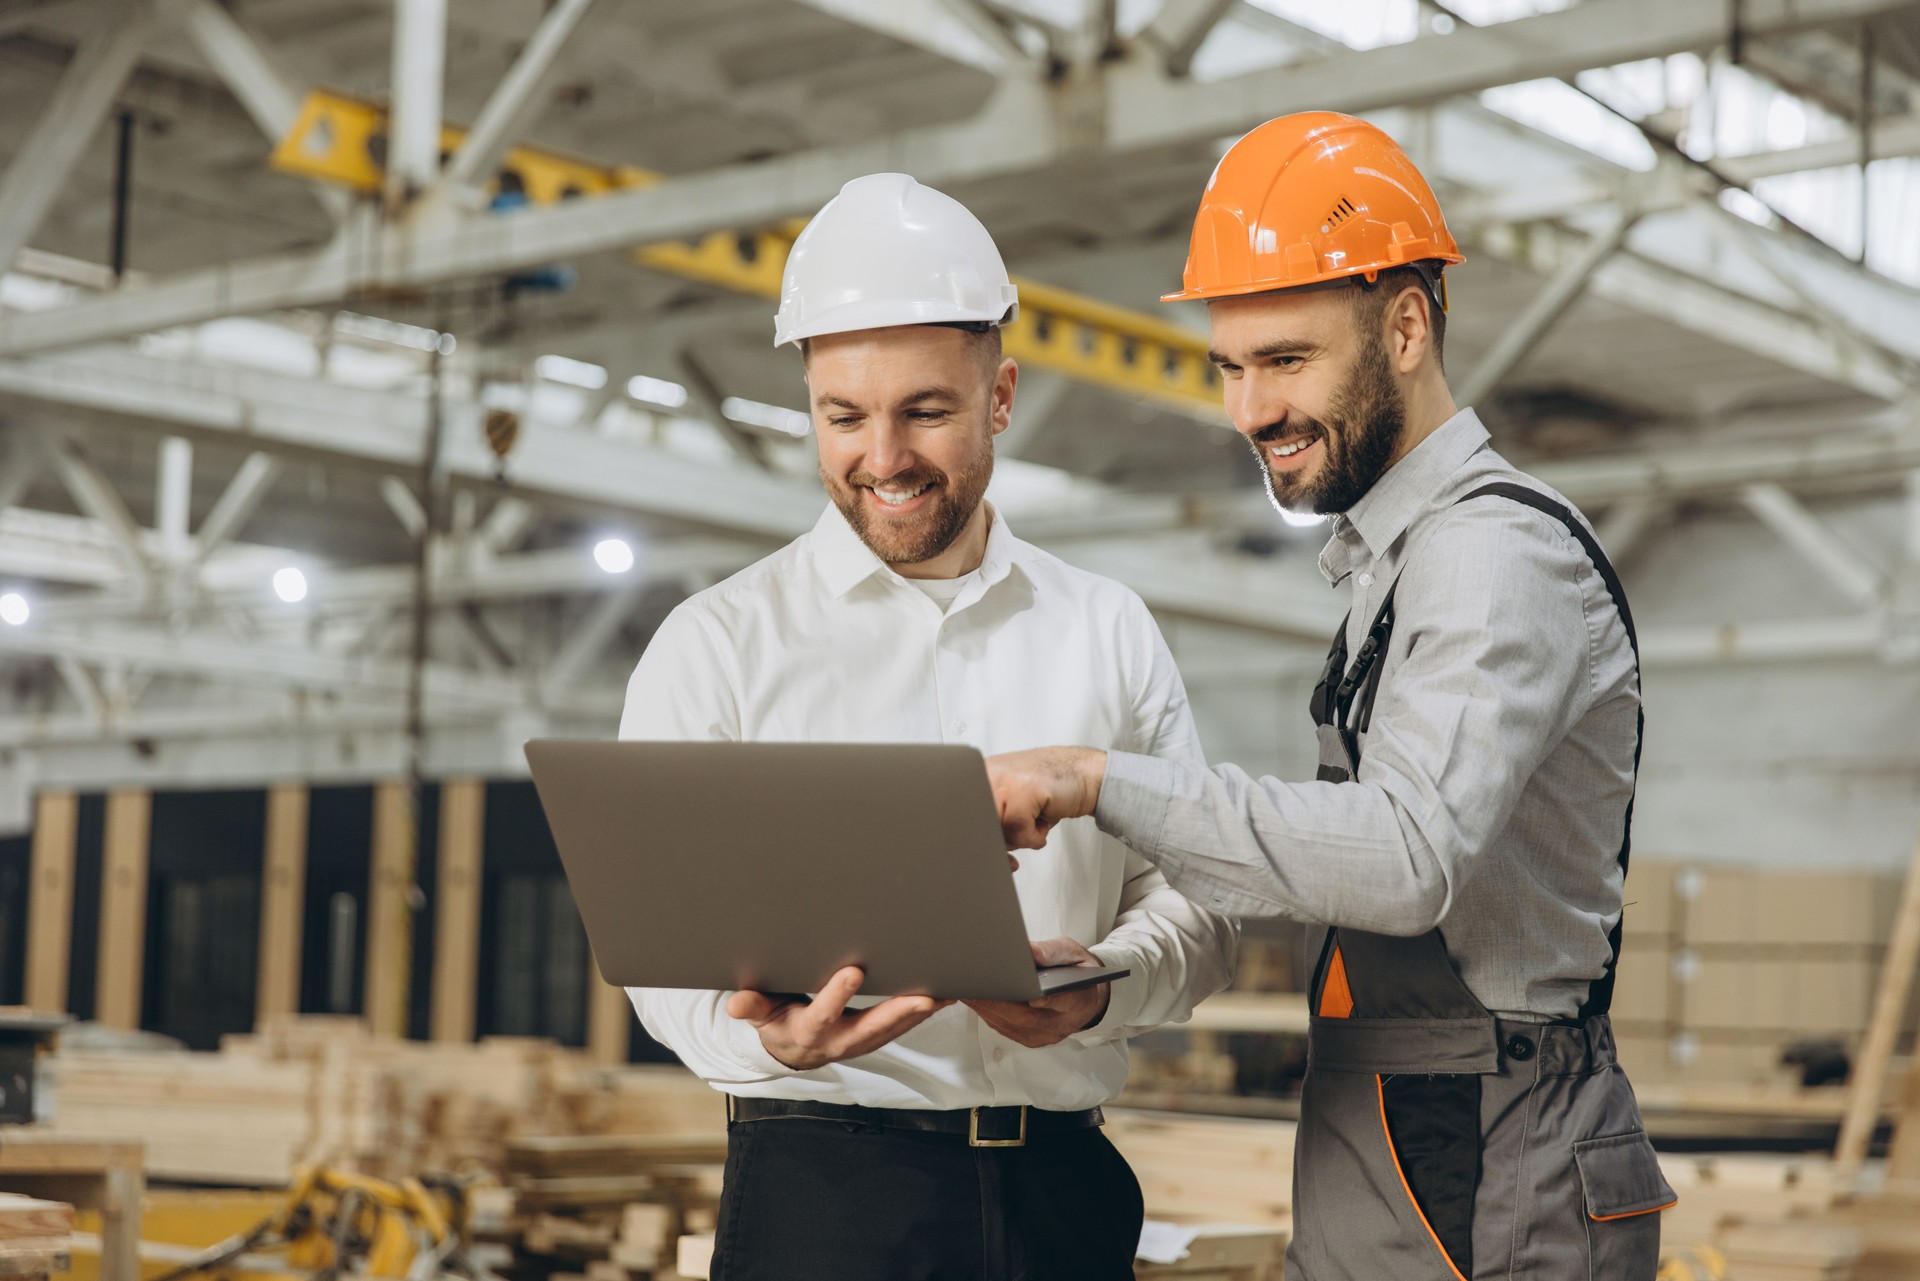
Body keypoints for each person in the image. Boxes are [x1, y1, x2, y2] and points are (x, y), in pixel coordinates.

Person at [987, 113, 1676, 1280]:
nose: (1249, 412)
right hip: (1406, 1120)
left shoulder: (1492, 555)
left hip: (1488, 1146)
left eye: (1288, 361)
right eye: (1232, 367)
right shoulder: (1396, 564)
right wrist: (1106, 980)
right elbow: (1328, 864)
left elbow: (1406, 857)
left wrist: (1093, 781)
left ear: (1407, 325)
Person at [618, 172, 1237, 1281]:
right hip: (822, 1201)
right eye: (842, 417)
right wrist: (760, 1039)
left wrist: (1102, 986)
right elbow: (660, 958)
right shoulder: (716, 645)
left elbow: (1201, 904)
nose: (883, 458)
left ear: (1000, 397)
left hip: (1065, 1200)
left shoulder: (1106, 629)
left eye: (927, 411)